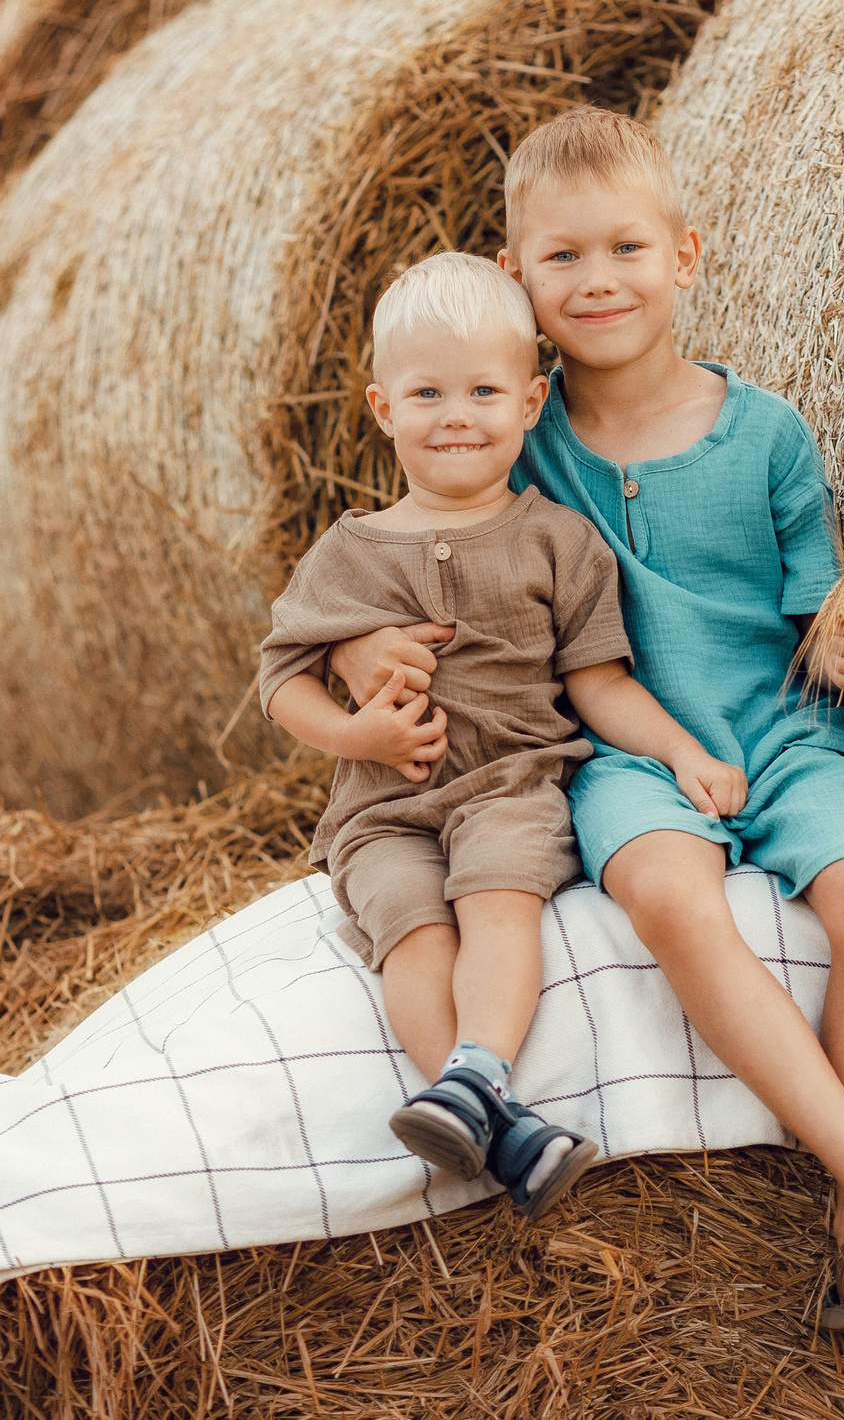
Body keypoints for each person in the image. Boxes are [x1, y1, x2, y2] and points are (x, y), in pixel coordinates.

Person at [331, 108, 844, 1339]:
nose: (598, 281)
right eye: (562, 257)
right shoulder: (518, 441)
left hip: (782, 731)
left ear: (684, 257)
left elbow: (821, 622)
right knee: (673, 899)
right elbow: (411, 546)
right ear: (517, 278)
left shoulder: (769, 435)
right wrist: (364, 642)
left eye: (625, 249)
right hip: (615, 747)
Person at [259, 250, 750, 1222]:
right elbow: (283, 684)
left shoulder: (556, 540)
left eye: (483, 391)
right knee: (408, 927)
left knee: (496, 901)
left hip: (510, 785)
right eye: (427, 392)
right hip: (383, 809)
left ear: (530, 403)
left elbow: (599, 686)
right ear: (380, 407)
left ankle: (474, 1077)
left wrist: (686, 754)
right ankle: (492, 1113)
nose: (456, 414)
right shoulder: (348, 553)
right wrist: (356, 737)